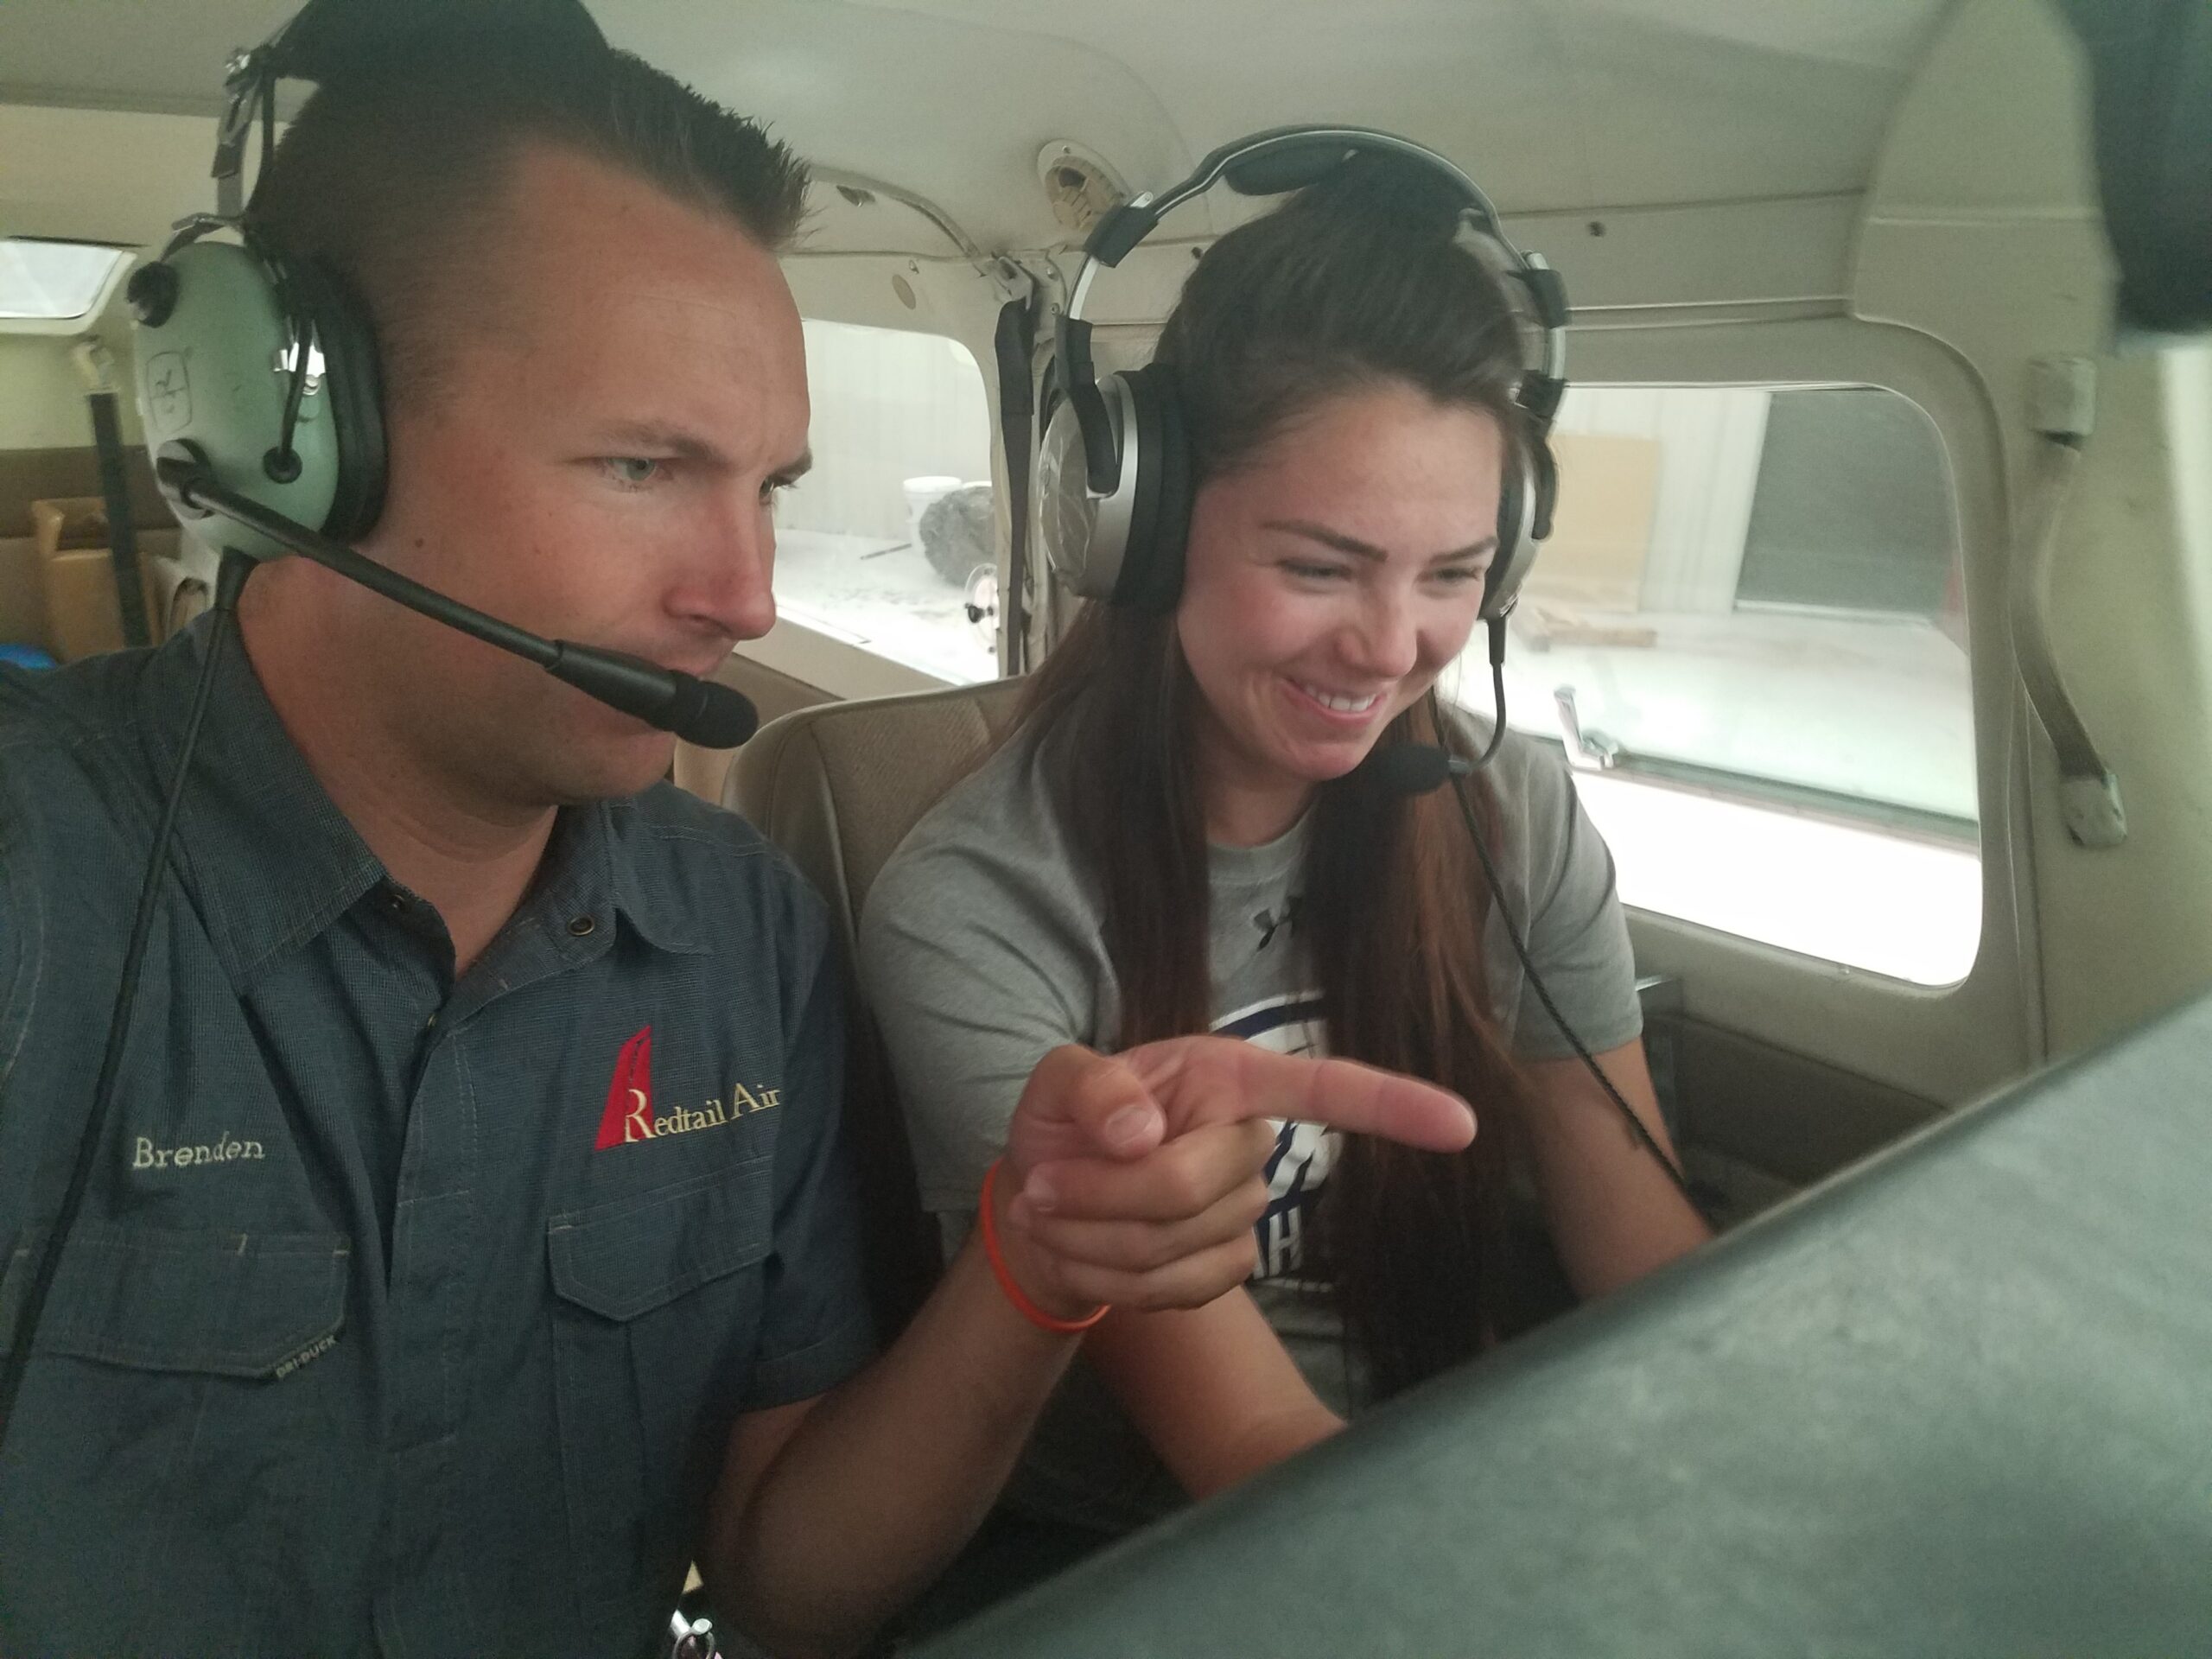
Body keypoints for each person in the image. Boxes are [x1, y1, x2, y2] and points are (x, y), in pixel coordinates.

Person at [0, 36, 1478, 1659]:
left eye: (770, 487)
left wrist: (1034, 1266)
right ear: (303, 437)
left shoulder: (741, 939)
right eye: (644, 467)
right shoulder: (41, 882)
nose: (748, 595)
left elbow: (784, 1589)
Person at [861, 156, 1713, 1544]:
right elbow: (1249, 1438)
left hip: (1448, 1470)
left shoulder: (1515, 817)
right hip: (1168, 1555)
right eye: (1320, 566)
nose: (1390, 650)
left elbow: (1655, 1270)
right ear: (1140, 531)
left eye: (1452, 575)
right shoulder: (978, 908)